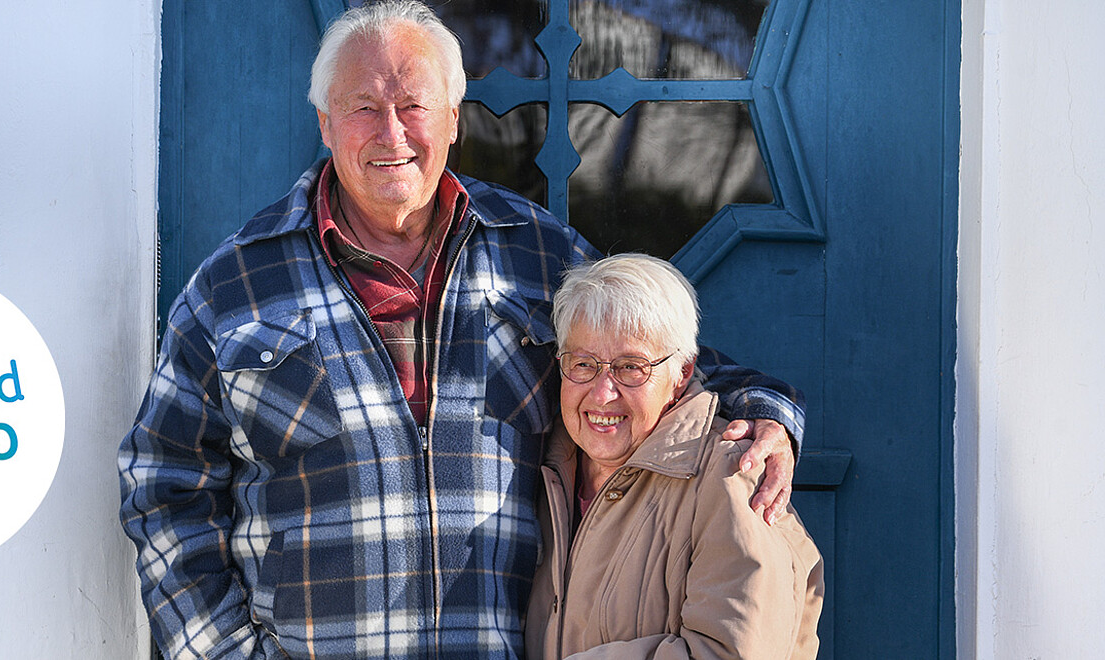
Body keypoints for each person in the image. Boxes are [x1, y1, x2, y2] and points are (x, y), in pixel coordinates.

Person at [119, 2, 805, 658]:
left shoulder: (537, 254)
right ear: (326, 123)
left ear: (452, 120)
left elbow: (655, 369)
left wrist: (767, 416)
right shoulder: (236, 283)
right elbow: (163, 481)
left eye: (414, 106)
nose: (392, 133)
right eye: (364, 108)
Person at [524, 254, 823, 660]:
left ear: (682, 374)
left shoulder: (731, 476)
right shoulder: (547, 470)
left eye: (631, 367)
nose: (601, 393)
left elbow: (730, 653)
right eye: (583, 364)